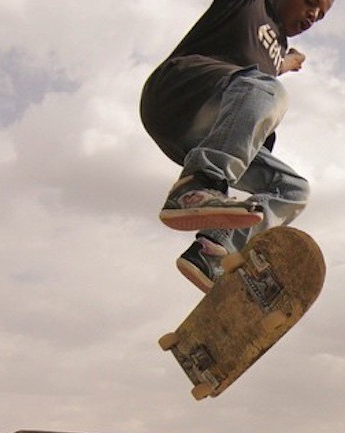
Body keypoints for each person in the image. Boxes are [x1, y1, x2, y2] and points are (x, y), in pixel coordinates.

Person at [140, 0, 334, 292]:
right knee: (266, 89)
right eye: (310, 3)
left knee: (294, 190)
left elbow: (275, 64)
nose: (313, 15)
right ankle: (199, 185)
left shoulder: (278, 48)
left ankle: (213, 250)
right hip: (180, 93)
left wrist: (289, 60)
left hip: (203, 135)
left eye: (320, 16)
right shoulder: (248, 5)